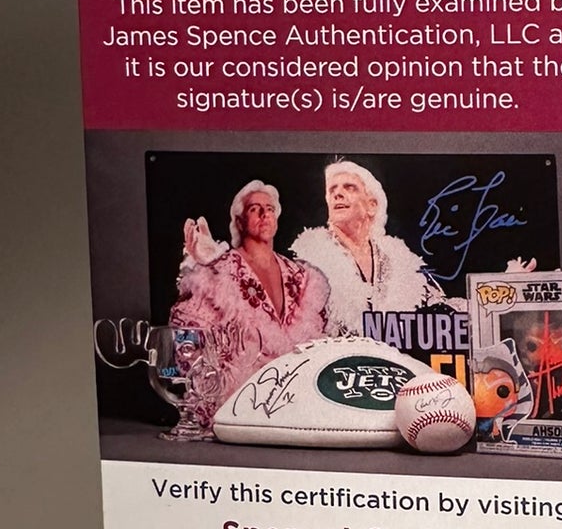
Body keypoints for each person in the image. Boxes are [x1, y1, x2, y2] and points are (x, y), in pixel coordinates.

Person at [172, 180, 330, 426]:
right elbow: (187, 333)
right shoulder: (219, 270)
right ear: (239, 221)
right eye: (255, 209)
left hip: (294, 407)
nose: (264, 214)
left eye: (270, 209)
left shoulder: (300, 276)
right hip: (239, 406)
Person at [290, 159, 448, 336]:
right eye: (332, 190)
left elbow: (442, 309)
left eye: (349, 187)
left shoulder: (400, 260)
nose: (337, 194)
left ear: (372, 206)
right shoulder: (308, 261)